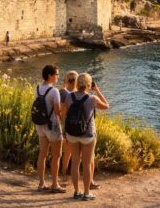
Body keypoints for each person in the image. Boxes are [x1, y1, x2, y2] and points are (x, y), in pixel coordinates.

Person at [64, 73, 109, 201]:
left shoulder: (69, 96)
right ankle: (86, 193)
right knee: (87, 163)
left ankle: (77, 192)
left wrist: (64, 132)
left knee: (75, 162)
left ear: (77, 83)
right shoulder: (92, 99)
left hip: (72, 134)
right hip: (87, 134)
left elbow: (64, 115)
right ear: (89, 84)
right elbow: (107, 106)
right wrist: (97, 91)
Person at [34, 65, 65, 193]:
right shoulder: (54, 91)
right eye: (56, 74)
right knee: (56, 156)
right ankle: (55, 185)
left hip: (40, 125)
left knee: (43, 154)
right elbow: (58, 112)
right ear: (49, 76)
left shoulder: (38, 88)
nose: (58, 76)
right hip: (52, 126)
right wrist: (65, 108)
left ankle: (41, 184)